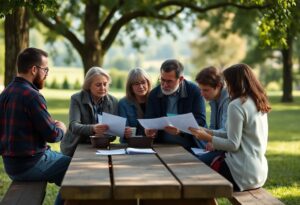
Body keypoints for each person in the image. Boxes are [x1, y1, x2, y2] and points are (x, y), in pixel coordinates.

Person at [0, 47, 71, 205]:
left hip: (11, 165)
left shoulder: (5, 93)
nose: (46, 74)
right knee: (75, 171)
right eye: (45, 70)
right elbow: (52, 135)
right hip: (30, 164)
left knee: (69, 164)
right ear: (34, 69)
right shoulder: (32, 96)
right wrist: (61, 128)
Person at [189, 63, 271, 191]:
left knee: (192, 170)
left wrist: (208, 138)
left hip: (241, 173)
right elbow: (231, 133)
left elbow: (233, 144)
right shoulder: (257, 101)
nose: (225, 87)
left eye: (227, 82)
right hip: (258, 173)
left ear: (234, 82)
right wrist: (208, 132)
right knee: (197, 166)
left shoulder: (236, 105)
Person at [145, 59, 207, 150]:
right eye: (162, 79)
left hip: (191, 146)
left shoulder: (195, 92)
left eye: (169, 81)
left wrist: (180, 129)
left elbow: (200, 120)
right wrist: (148, 129)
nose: (165, 85)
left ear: (181, 79)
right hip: (161, 145)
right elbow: (149, 118)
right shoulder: (154, 94)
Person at [60, 67, 118, 157]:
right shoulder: (77, 98)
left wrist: (107, 133)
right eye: (98, 85)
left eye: (105, 84)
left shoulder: (113, 101)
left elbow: (113, 135)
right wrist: (93, 129)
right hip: (75, 147)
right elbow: (74, 126)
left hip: (101, 147)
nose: (103, 88)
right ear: (88, 85)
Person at [194, 66, 229, 165]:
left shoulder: (229, 101)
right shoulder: (214, 99)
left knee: (199, 163)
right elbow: (213, 126)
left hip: (228, 149)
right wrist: (210, 141)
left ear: (218, 85)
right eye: (200, 89)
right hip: (218, 145)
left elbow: (227, 132)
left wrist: (210, 139)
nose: (202, 94)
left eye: (205, 90)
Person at [118, 68, 152, 143]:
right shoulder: (123, 103)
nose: (141, 86)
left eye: (143, 82)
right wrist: (125, 132)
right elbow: (122, 132)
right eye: (136, 84)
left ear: (148, 83)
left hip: (154, 144)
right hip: (131, 144)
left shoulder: (154, 100)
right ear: (130, 87)